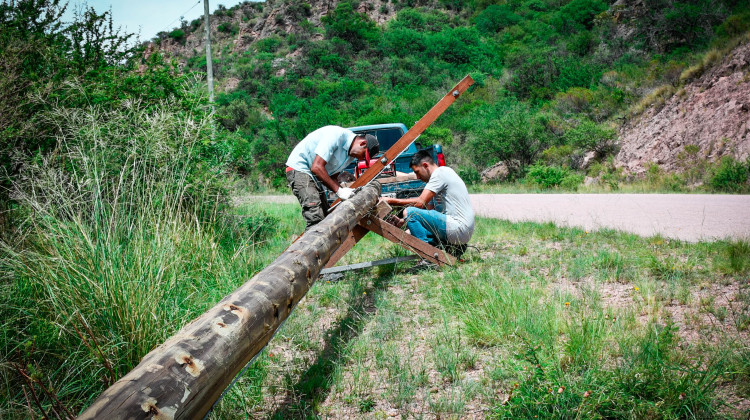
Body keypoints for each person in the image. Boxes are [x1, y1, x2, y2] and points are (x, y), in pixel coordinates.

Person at [382, 149, 474, 257]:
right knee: (408, 234)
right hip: (460, 231)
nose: (417, 177)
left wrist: (389, 200)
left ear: (425, 166)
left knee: (410, 212)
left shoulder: (440, 173)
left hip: (458, 228)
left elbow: (420, 203)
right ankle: (451, 249)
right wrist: (404, 221)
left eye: (417, 172)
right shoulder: (437, 179)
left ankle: (427, 257)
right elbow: (429, 212)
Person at [286, 125, 379, 229]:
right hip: (300, 168)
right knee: (315, 217)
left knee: (327, 217)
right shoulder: (335, 135)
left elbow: (332, 177)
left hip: (313, 175)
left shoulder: (350, 156)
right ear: (363, 143)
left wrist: (345, 192)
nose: (360, 159)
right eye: (363, 156)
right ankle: (308, 245)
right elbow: (316, 167)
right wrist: (339, 191)